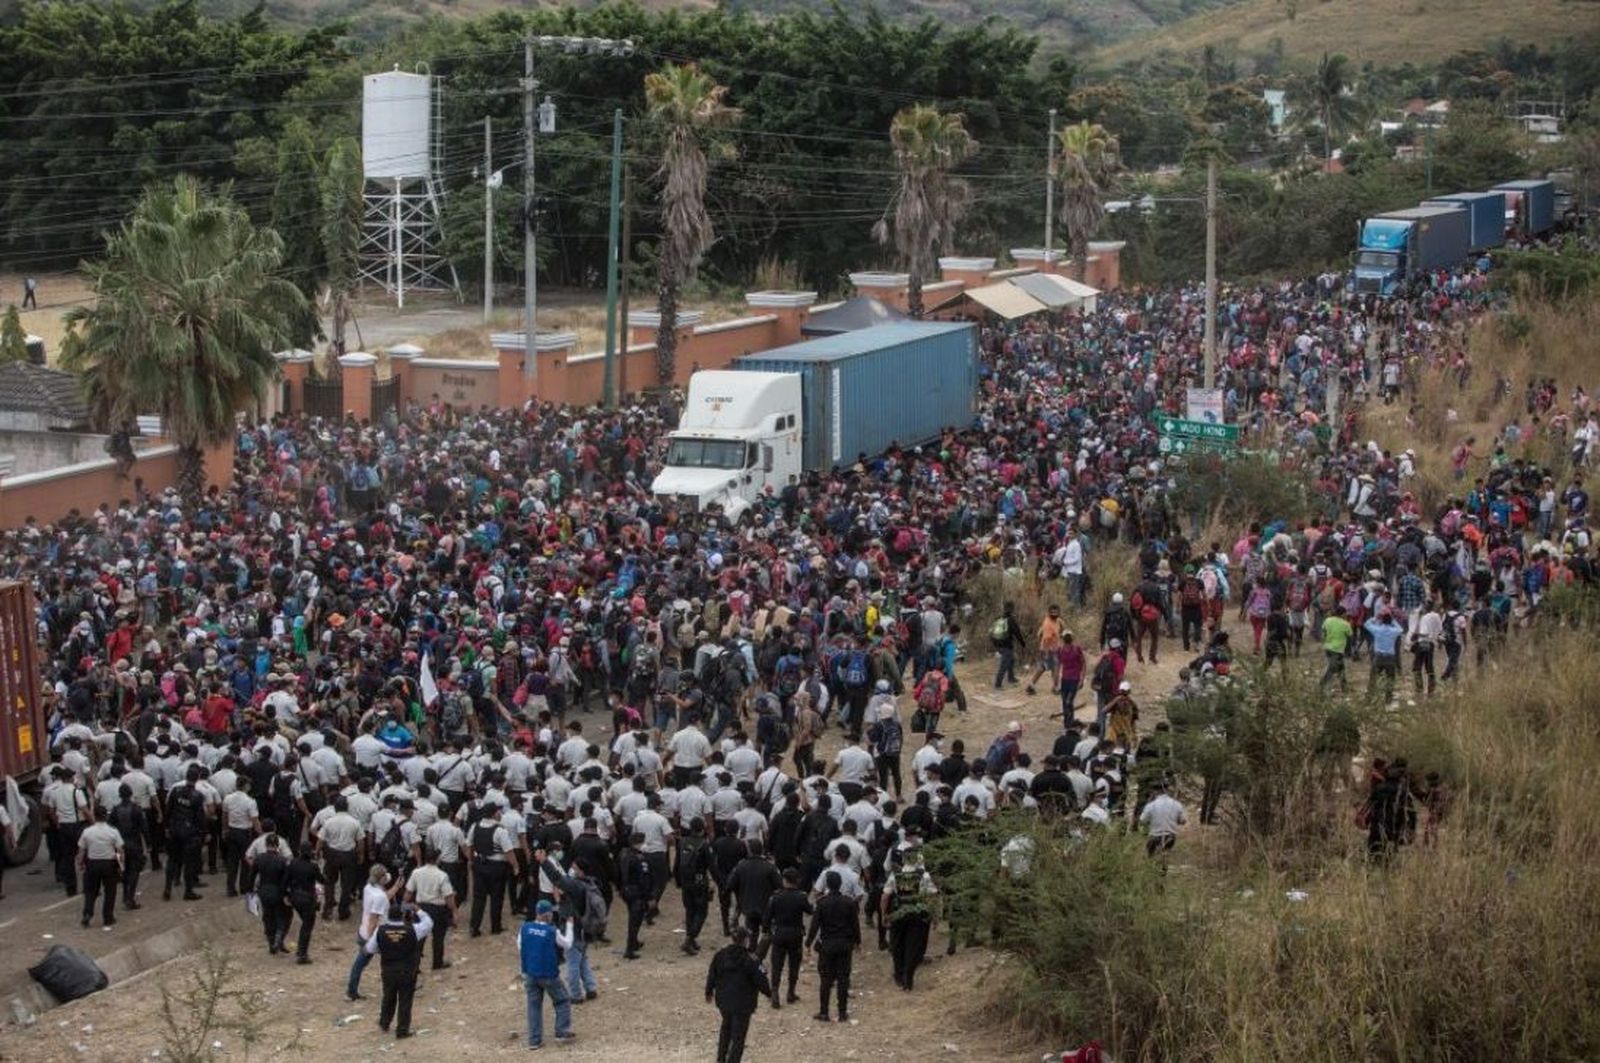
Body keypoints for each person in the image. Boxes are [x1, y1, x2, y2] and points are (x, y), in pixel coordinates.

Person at [364, 902, 434, 1039]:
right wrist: (418, 910)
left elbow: (369, 949)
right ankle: (402, 1029)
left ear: (388, 916)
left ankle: (384, 1023)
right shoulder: (413, 929)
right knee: (405, 999)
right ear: (403, 916)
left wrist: (383, 949)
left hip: (388, 969)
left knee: (388, 996)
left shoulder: (381, 930)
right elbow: (429, 923)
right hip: (407, 970)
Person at [704, 926, 771, 1063]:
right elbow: (760, 979)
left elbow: (712, 974)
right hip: (743, 1004)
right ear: (745, 940)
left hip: (724, 1001)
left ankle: (721, 1058)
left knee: (726, 1029)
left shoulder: (720, 955)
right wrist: (769, 993)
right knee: (738, 1037)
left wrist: (709, 991)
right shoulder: (750, 959)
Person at [518, 898, 576, 1050]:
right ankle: (561, 1032)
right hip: (548, 973)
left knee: (533, 1006)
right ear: (547, 914)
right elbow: (567, 944)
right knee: (562, 999)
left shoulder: (524, 928)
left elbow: (520, 946)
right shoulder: (552, 931)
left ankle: (534, 1040)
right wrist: (570, 926)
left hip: (530, 972)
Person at [883, 830, 937, 990]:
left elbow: (885, 896)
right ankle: (909, 978)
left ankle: (898, 975)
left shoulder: (895, 875)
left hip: (898, 912)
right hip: (917, 913)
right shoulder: (924, 876)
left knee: (897, 944)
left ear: (904, 859)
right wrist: (934, 915)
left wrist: (885, 914)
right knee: (913, 946)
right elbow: (932, 896)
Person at [806, 869, 861, 1023]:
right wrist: (858, 942)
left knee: (825, 979)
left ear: (827, 885)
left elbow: (815, 926)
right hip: (844, 944)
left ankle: (824, 1012)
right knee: (843, 979)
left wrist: (808, 943)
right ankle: (842, 1012)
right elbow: (855, 925)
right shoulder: (849, 902)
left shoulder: (822, 903)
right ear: (840, 884)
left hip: (827, 945)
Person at [763, 867, 811, 1008]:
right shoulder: (801, 897)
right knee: (794, 964)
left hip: (779, 933)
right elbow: (810, 910)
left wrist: (766, 930)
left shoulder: (775, 897)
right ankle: (791, 992)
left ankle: (775, 993)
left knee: (777, 965)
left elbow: (767, 918)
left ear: (784, 880)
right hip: (795, 934)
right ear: (796, 881)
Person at [349, 865, 398, 999]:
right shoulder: (379, 896)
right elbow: (373, 919)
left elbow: (384, 898)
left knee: (359, 964)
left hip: (364, 931)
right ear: (380, 878)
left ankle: (352, 990)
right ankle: (396, 987)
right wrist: (370, 941)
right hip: (375, 935)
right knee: (394, 960)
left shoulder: (368, 888)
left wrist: (396, 887)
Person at [405, 847, 457, 970]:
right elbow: (448, 896)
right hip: (437, 909)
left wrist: (406, 906)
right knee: (438, 937)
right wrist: (454, 911)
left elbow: (408, 892)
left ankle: (415, 965)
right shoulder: (442, 875)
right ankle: (437, 962)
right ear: (437, 859)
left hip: (420, 907)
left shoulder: (416, 872)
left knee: (419, 938)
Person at [76, 814, 125, 928]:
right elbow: (120, 851)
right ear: (106, 817)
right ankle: (108, 917)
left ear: (95, 817)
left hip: (92, 864)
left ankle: (87, 913)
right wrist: (121, 865)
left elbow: (81, 850)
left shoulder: (87, 831)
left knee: (90, 891)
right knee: (110, 892)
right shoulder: (113, 831)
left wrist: (81, 863)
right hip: (109, 864)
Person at [618, 830, 653, 959]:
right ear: (637, 843)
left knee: (633, 917)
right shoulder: (640, 859)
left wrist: (620, 889)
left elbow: (618, 873)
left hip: (626, 891)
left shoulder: (623, 854)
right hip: (637, 893)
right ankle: (629, 949)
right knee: (635, 921)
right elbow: (644, 879)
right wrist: (649, 897)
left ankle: (634, 942)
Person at [1137, 781, 1187, 866]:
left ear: (1155, 791)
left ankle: (1153, 869)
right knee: (1165, 855)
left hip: (1155, 836)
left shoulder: (1151, 805)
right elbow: (1183, 821)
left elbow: (1142, 821)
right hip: (1170, 836)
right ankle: (1163, 869)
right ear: (1167, 790)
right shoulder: (1177, 804)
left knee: (1151, 857)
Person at [1024, 604, 1065, 696]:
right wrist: (1046, 653)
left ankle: (1031, 686)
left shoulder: (1057, 620)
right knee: (1055, 667)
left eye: (1056, 612)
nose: (1054, 614)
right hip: (1049, 649)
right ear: (1049, 613)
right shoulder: (1048, 624)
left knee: (1043, 668)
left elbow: (1041, 634)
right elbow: (1046, 639)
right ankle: (1055, 688)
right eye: (1052, 612)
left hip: (1051, 648)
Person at [1319, 605, 1354, 692]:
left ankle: (1344, 687)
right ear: (1342, 614)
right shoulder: (1345, 624)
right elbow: (1350, 636)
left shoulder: (1328, 620)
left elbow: (1323, 631)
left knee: (1340, 668)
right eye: (1345, 613)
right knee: (1332, 669)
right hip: (1337, 649)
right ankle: (1322, 684)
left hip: (1328, 647)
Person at [990, 601, 1023, 689]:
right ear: (1012, 609)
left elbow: (992, 631)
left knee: (1011, 659)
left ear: (1004, 608)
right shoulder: (1011, 620)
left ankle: (1011, 678)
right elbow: (1017, 633)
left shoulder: (998, 618)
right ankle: (998, 684)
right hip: (1007, 645)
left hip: (998, 644)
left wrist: (995, 644)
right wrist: (1022, 643)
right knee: (1004, 664)